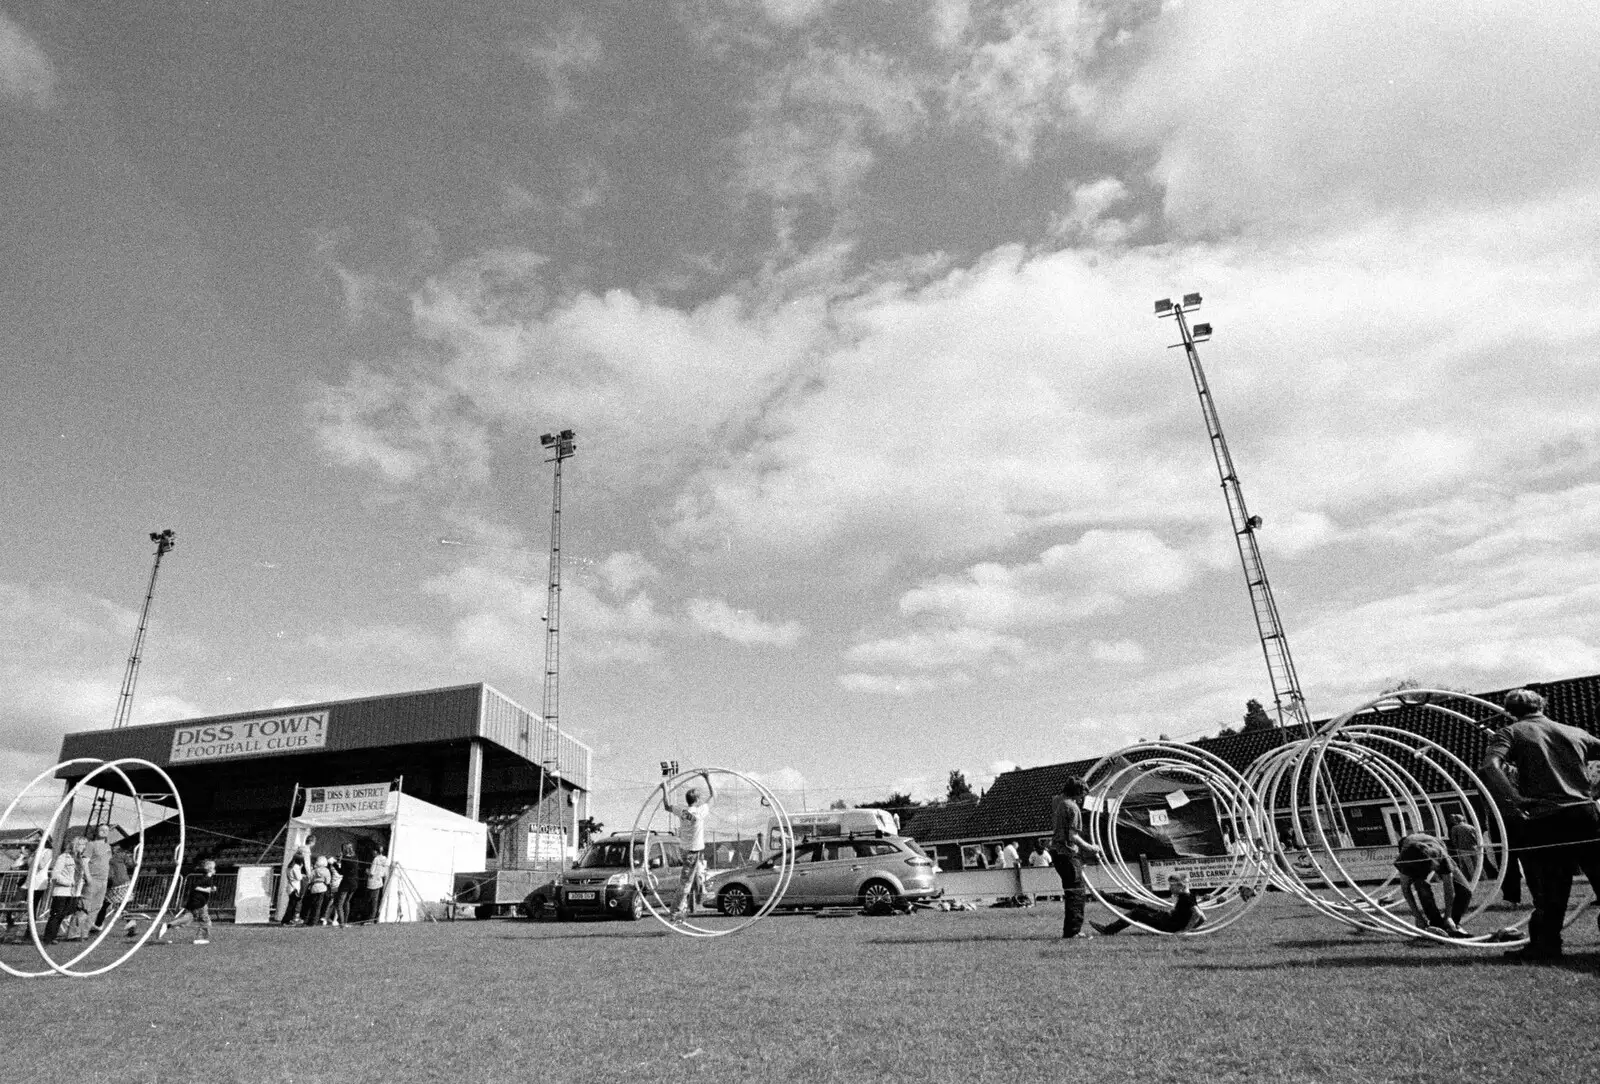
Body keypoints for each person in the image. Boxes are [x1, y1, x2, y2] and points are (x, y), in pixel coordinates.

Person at [1481, 687, 1600, 961]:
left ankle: (1546, 946)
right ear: (1542, 705)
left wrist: (1515, 798)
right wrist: (1594, 793)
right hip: (1585, 813)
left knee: (1550, 888)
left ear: (1510, 711)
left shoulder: (1511, 732)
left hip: (1546, 817)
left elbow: (1490, 766)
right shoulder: (1574, 731)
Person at [1050, 777, 1102, 940]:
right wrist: (1091, 848)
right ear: (1077, 793)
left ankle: (1071, 930)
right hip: (1067, 853)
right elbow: (1073, 836)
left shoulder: (1058, 801)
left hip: (1057, 853)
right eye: (1082, 795)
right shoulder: (1072, 808)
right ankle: (1073, 931)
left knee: (1072, 891)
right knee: (1077, 893)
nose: (1082, 799)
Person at [1393, 832, 1470, 937]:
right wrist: (1418, 917)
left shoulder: (1441, 856)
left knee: (1465, 890)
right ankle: (1436, 923)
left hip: (1436, 847)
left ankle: (1453, 922)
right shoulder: (1405, 861)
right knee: (1422, 888)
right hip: (1413, 852)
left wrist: (1448, 916)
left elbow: (1449, 888)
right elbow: (1406, 890)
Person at [663, 772, 715, 919]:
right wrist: (707, 778)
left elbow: (667, 806)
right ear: (697, 800)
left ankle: (700, 897)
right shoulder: (700, 812)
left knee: (698, 874)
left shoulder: (683, 811)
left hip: (686, 850)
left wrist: (664, 789)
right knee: (686, 882)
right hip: (692, 851)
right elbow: (713, 796)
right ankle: (675, 911)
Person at [1092, 872, 1207, 935]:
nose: (1170, 888)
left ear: (1181, 886)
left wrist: (1185, 930)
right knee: (1140, 906)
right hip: (1167, 918)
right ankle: (1104, 896)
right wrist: (1193, 928)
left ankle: (1108, 930)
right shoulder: (1187, 895)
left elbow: (1198, 915)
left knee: (1136, 912)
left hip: (1168, 925)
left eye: (1172, 885)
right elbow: (1202, 918)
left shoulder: (1186, 898)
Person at [158, 858, 217, 945]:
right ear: (210, 869)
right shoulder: (206, 878)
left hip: (193, 902)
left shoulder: (206, 878)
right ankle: (200, 938)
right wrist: (208, 890)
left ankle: (167, 925)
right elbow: (195, 887)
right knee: (206, 920)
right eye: (214, 868)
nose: (215, 869)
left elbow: (204, 887)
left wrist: (212, 888)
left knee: (187, 919)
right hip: (199, 903)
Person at [41, 836, 85, 945]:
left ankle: (53, 936)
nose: (84, 847)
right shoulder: (64, 857)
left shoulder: (80, 859)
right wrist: (68, 882)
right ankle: (48, 937)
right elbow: (55, 874)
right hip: (62, 891)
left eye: (85, 845)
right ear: (76, 845)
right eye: (82, 845)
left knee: (63, 914)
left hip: (74, 893)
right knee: (56, 914)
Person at [80, 825, 112, 935]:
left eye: (107, 830)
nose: (104, 831)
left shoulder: (108, 846)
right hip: (93, 879)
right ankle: (74, 933)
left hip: (104, 880)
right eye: (102, 830)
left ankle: (84, 932)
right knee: (84, 906)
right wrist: (88, 877)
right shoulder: (91, 844)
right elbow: (84, 862)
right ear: (97, 832)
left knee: (96, 907)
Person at [1445, 812, 1484, 883]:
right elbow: (1477, 837)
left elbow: (1454, 840)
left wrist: (1456, 847)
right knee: (1478, 864)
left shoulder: (1455, 828)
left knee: (1469, 866)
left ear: (1455, 820)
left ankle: (1474, 879)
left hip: (1463, 849)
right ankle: (1483, 878)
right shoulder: (1471, 827)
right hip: (1474, 848)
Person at [356, 849, 389, 925]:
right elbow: (385, 873)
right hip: (379, 882)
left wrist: (366, 871)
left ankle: (369, 919)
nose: (372, 853)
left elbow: (371, 872)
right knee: (375, 902)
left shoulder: (376, 859)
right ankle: (372, 918)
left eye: (373, 851)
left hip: (372, 882)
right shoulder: (385, 859)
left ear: (376, 852)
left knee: (369, 902)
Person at [330, 842, 359, 927]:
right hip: (354, 883)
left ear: (344, 849)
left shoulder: (345, 859)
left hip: (346, 883)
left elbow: (341, 872)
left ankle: (342, 924)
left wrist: (334, 864)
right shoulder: (355, 857)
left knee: (339, 904)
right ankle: (345, 922)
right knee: (347, 902)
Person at [303, 855, 333, 926]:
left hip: (314, 888)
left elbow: (310, 879)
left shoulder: (314, 870)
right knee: (318, 906)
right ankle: (314, 921)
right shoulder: (326, 871)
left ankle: (308, 920)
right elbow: (328, 881)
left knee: (311, 905)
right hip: (322, 888)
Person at [281, 854, 308, 925]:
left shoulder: (289, 866)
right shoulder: (296, 867)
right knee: (292, 906)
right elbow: (299, 878)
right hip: (294, 888)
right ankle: (286, 921)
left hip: (290, 887)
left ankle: (288, 920)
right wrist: (301, 871)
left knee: (291, 905)